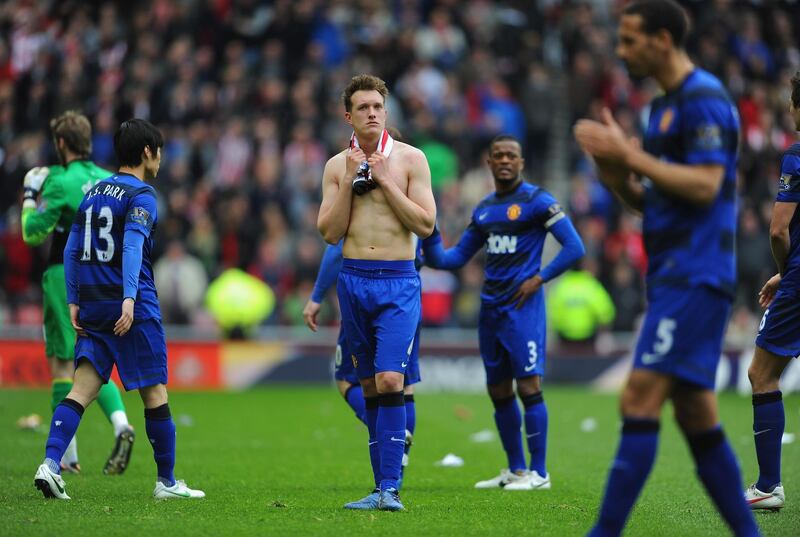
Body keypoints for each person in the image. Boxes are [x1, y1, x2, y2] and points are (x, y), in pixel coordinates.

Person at [573, 1, 759, 535]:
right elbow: (652, 199)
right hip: (676, 274)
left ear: (662, 39)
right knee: (697, 414)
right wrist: (614, 171)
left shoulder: (704, 100)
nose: (622, 50)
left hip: (696, 275)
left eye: (631, 40)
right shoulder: (664, 108)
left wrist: (630, 158)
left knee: (638, 395)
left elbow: (704, 185)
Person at [33, 119, 204, 500]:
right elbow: (131, 246)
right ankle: (167, 482)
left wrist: (75, 300)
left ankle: (49, 464)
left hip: (92, 304)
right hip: (133, 307)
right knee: (155, 392)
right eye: (158, 151)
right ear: (147, 152)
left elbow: (71, 247)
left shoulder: (93, 193)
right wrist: (129, 297)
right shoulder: (142, 195)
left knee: (82, 388)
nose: (159, 159)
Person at [422, 134, 584, 491]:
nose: (506, 160)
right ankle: (516, 470)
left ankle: (539, 473)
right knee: (498, 390)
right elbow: (451, 259)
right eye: (499, 155)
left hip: (523, 309)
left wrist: (539, 278)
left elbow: (575, 247)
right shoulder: (484, 210)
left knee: (529, 385)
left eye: (512, 155)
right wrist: (428, 233)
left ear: (521, 162)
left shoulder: (537, 201)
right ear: (490, 163)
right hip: (491, 311)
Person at [317, 74, 436, 511]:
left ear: (386, 113)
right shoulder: (336, 166)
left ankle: (391, 488)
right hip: (353, 280)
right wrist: (351, 180)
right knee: (368, 386)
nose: (372, 113)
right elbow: (330, 233)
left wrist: (385, 181)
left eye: (378, 107)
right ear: (348, 115)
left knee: (390, 380)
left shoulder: (410, 160)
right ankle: (382, 487)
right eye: (363, 107)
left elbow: (425, 224)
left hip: (398, 281)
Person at [21, 111, 133, 475]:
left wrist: (28, 196)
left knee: (62, 363)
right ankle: (117, 425)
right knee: (94, 357)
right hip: (102, 277)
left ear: (61, 144)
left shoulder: (58, 179)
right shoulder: (107, 180)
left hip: (61, 275)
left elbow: (33, 233)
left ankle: (68, 454)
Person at [302, 238, 422, 486]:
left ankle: (390, 435)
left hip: (366, 292)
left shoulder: (363, 203)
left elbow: (336, 246)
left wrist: (316, 296)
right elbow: (440, 255)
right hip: (406, 298)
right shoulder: (418, 205)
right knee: (401, 383)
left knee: (347, 380)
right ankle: (393, 470)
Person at [743, 71, 800, 511]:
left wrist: (787, 270)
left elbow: (779, 230)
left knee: (762, 374)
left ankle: (767, 486)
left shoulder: (796, 156)